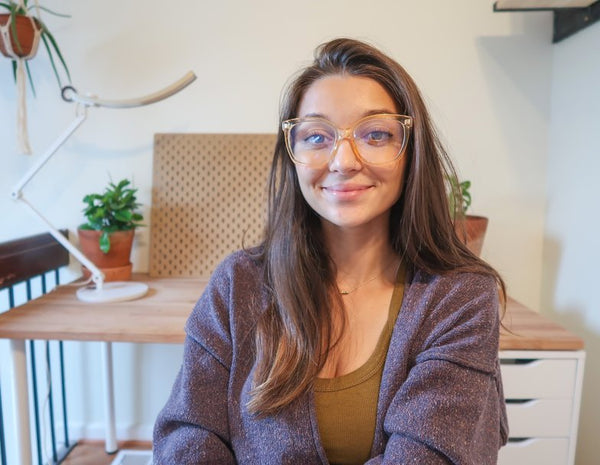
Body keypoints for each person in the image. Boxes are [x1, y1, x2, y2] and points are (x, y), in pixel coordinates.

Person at [153, 37, 508, 464]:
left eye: (376, 134)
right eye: (317, 136)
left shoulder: (459, 296)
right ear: (293, 155)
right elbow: (188, 433)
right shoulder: (238, 283)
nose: (343, 161)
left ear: (410, 152)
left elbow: (428, 456)